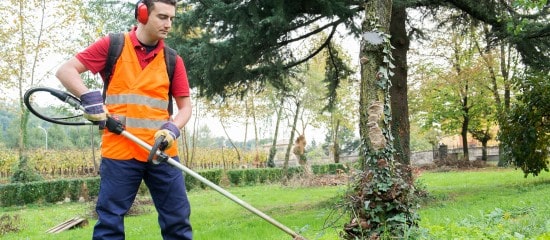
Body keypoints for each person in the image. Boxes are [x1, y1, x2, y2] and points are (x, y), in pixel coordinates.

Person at [55, 0, 193, 239]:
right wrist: (89, 97)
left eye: (172, 18)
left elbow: (185, 108)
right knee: (109, 223)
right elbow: (66, 71)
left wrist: (172, 129)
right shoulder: (114, 45)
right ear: (142, 14)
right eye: (162, 17)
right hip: (120, 151)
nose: (168, 24)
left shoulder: (173, 60)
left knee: (178, 222)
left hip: (160, 151)